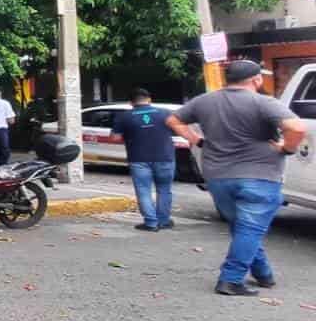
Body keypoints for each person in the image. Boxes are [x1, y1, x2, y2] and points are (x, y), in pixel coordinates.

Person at [167, 60, 306, 297]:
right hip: (260, 176)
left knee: (243, 227)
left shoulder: (205, 101)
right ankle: (231, 279)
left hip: (217, 176)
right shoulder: (263, 102)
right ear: (256, 80)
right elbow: (297, 128)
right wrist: (286, 149)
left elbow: (172, 120)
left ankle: (264, 275)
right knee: (250, 228)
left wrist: (196, 140)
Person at [110, 88, 176, 232]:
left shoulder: (124, 117)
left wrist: (129, 136)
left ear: (131, 102)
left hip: (138, 158)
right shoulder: (165, 113)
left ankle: (151, 223)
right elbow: (177, 129)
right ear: (149, 99)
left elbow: (114, 138)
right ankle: (164, 221)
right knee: (164, 190)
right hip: (164, 157)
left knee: (143, 190)